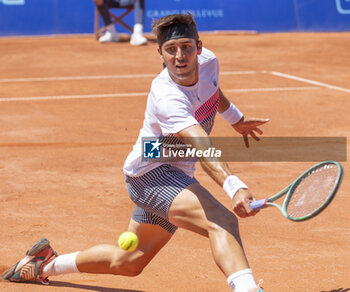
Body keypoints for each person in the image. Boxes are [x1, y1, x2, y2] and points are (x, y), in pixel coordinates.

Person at [2, 14, 269, 292]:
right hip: (151, 175)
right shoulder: (167, 96)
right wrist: (234, 185)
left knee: (127, 262)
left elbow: (212, 87)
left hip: (176, 170)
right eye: (171, 49)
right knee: (222, 221)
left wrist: (236, 118)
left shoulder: (209, 62)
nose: (180, 56)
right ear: (160, 53)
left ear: (199, 48)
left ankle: (42, 264)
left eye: (187, 47)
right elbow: (202, 147)